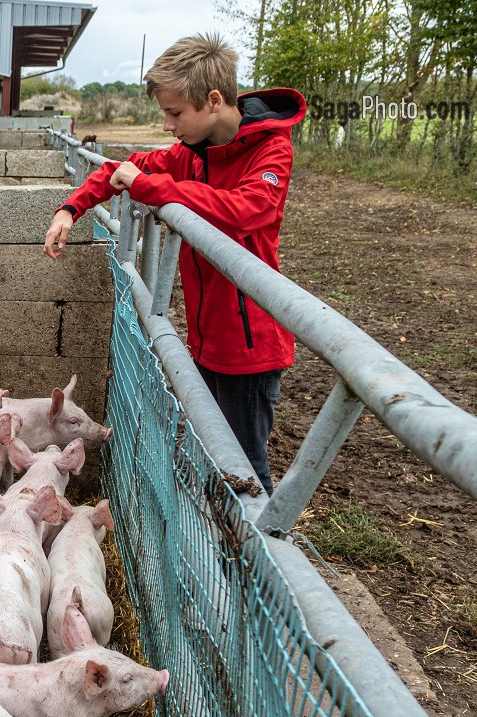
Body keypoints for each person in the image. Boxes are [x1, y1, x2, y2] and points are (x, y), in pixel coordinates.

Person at [43, 34, 307, 496]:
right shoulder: (191, 153)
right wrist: (71, 208)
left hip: (249, 346)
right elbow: (119, 168)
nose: (167, 125)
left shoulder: (270, 150)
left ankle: (251, 558)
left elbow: (248, 210)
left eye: (175, 113)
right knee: (212, 453)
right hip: (205, 337)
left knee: (247, 469)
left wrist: (155, 189)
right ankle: (220, 549)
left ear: (213, 100)